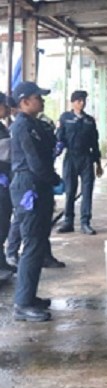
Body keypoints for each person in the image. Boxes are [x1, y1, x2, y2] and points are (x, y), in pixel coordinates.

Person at [10, 81, 61, 322]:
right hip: (29, 186)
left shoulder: (34, 124)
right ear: (24, 102)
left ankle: (29, 297)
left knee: (38, 242)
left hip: (37, 184)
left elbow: (46, 152)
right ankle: (22, 304)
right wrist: (54, 180)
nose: (42, 101)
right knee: (31, 244)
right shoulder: (22, 126)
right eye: (37, 97)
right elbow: (35, 162)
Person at [55, 90, 103, 235]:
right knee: (70, 191)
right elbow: (59, 138)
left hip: (86, 158)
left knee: (87, 191)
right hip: (70, 157)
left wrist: (98, 163)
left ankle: (85, 222)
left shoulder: (89, 120)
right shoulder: (65, 118)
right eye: (78, 101)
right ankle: (68, 222)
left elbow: (95, 143)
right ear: (73, 102)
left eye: (83, 100)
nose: (81, 103)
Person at [0, 92, 14, 278]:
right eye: (4, 105)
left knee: (4, 222)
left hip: (5, 180)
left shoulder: (2, 127)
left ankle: (1, 261)